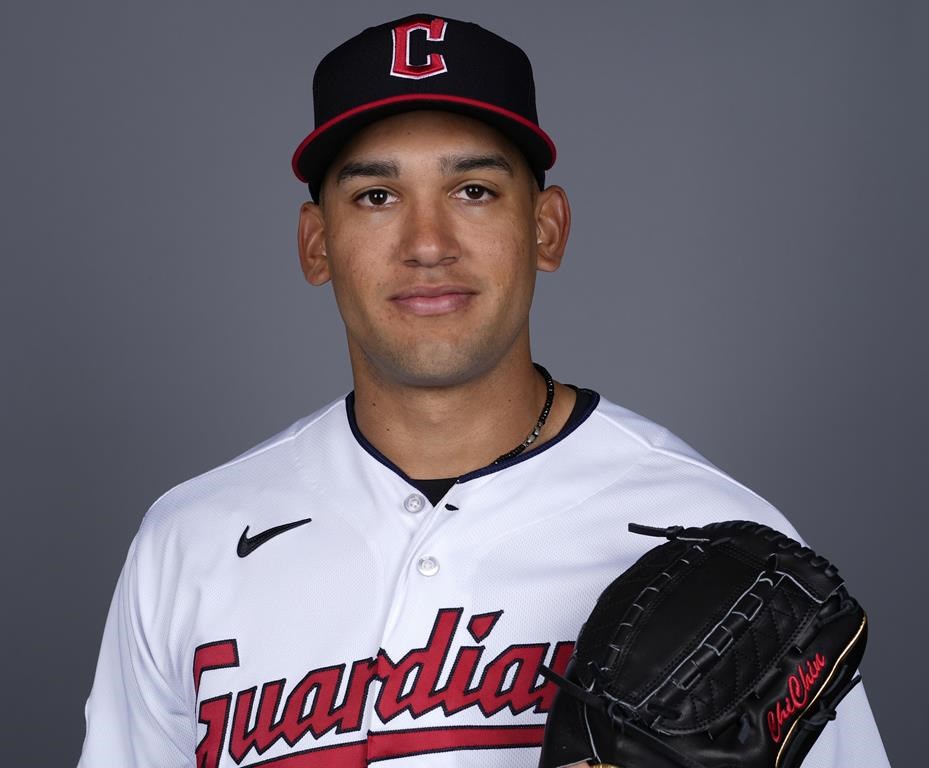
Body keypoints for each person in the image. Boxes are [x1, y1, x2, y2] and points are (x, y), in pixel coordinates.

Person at [77, 13, 890, 768]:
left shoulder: (720, 542)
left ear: (545, 229)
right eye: (376, 197)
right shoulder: (192, 541)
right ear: (316, 244)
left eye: (473, 191)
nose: (427, 244)